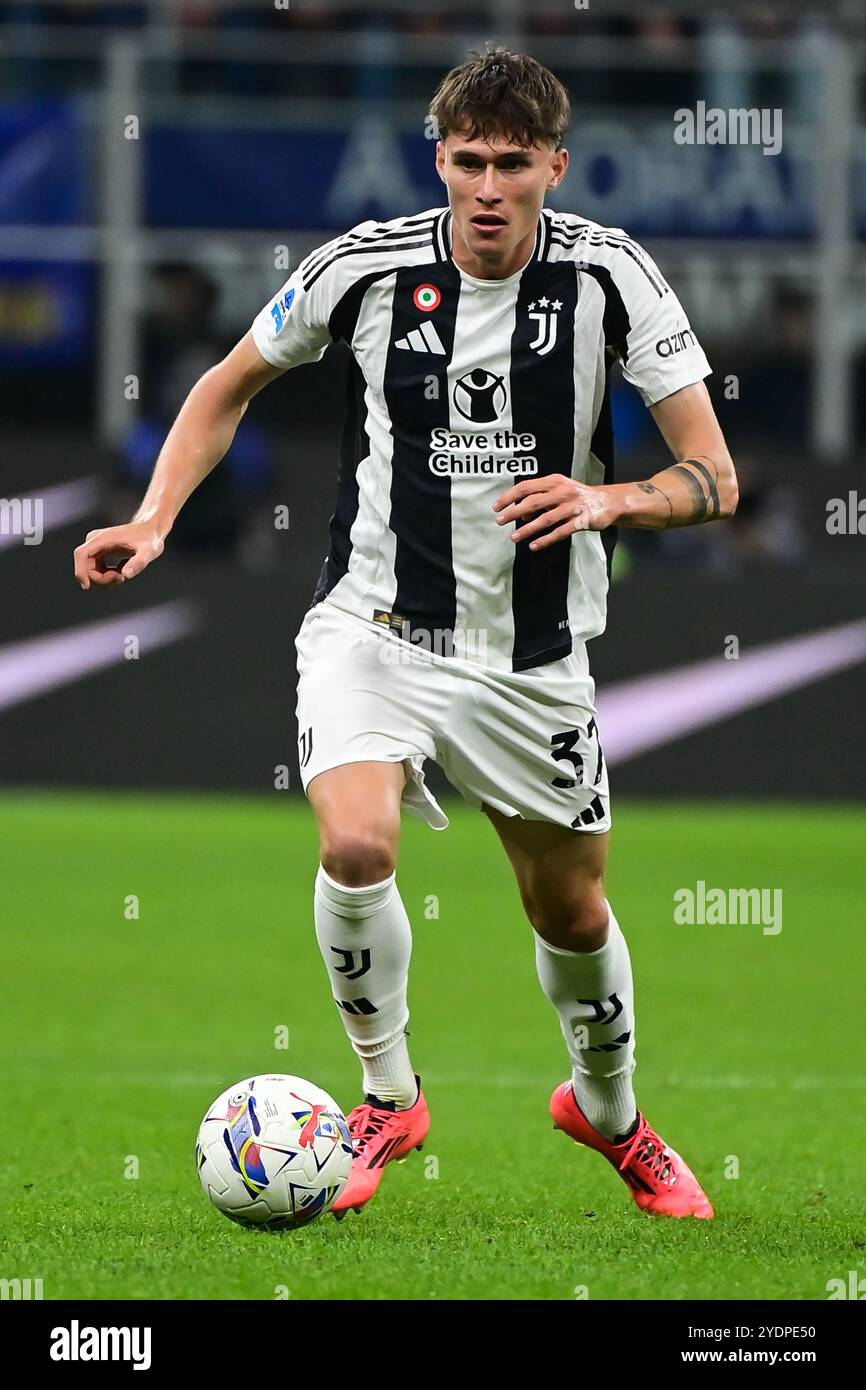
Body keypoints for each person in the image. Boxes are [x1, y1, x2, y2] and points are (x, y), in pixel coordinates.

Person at [74, 47, 737, 1222]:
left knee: (571, 912)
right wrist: (155, 514)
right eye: (467, 161)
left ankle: (610, 1113)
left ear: (554, 167)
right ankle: (388, 1092)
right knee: (358, 843)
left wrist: (611, 499)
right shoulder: (362, 269)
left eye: (512, 165)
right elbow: (227, 382)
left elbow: (712, 476)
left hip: (531, 658)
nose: (487, 187)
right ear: (438, 159)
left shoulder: (614, 278)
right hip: (371, 624)